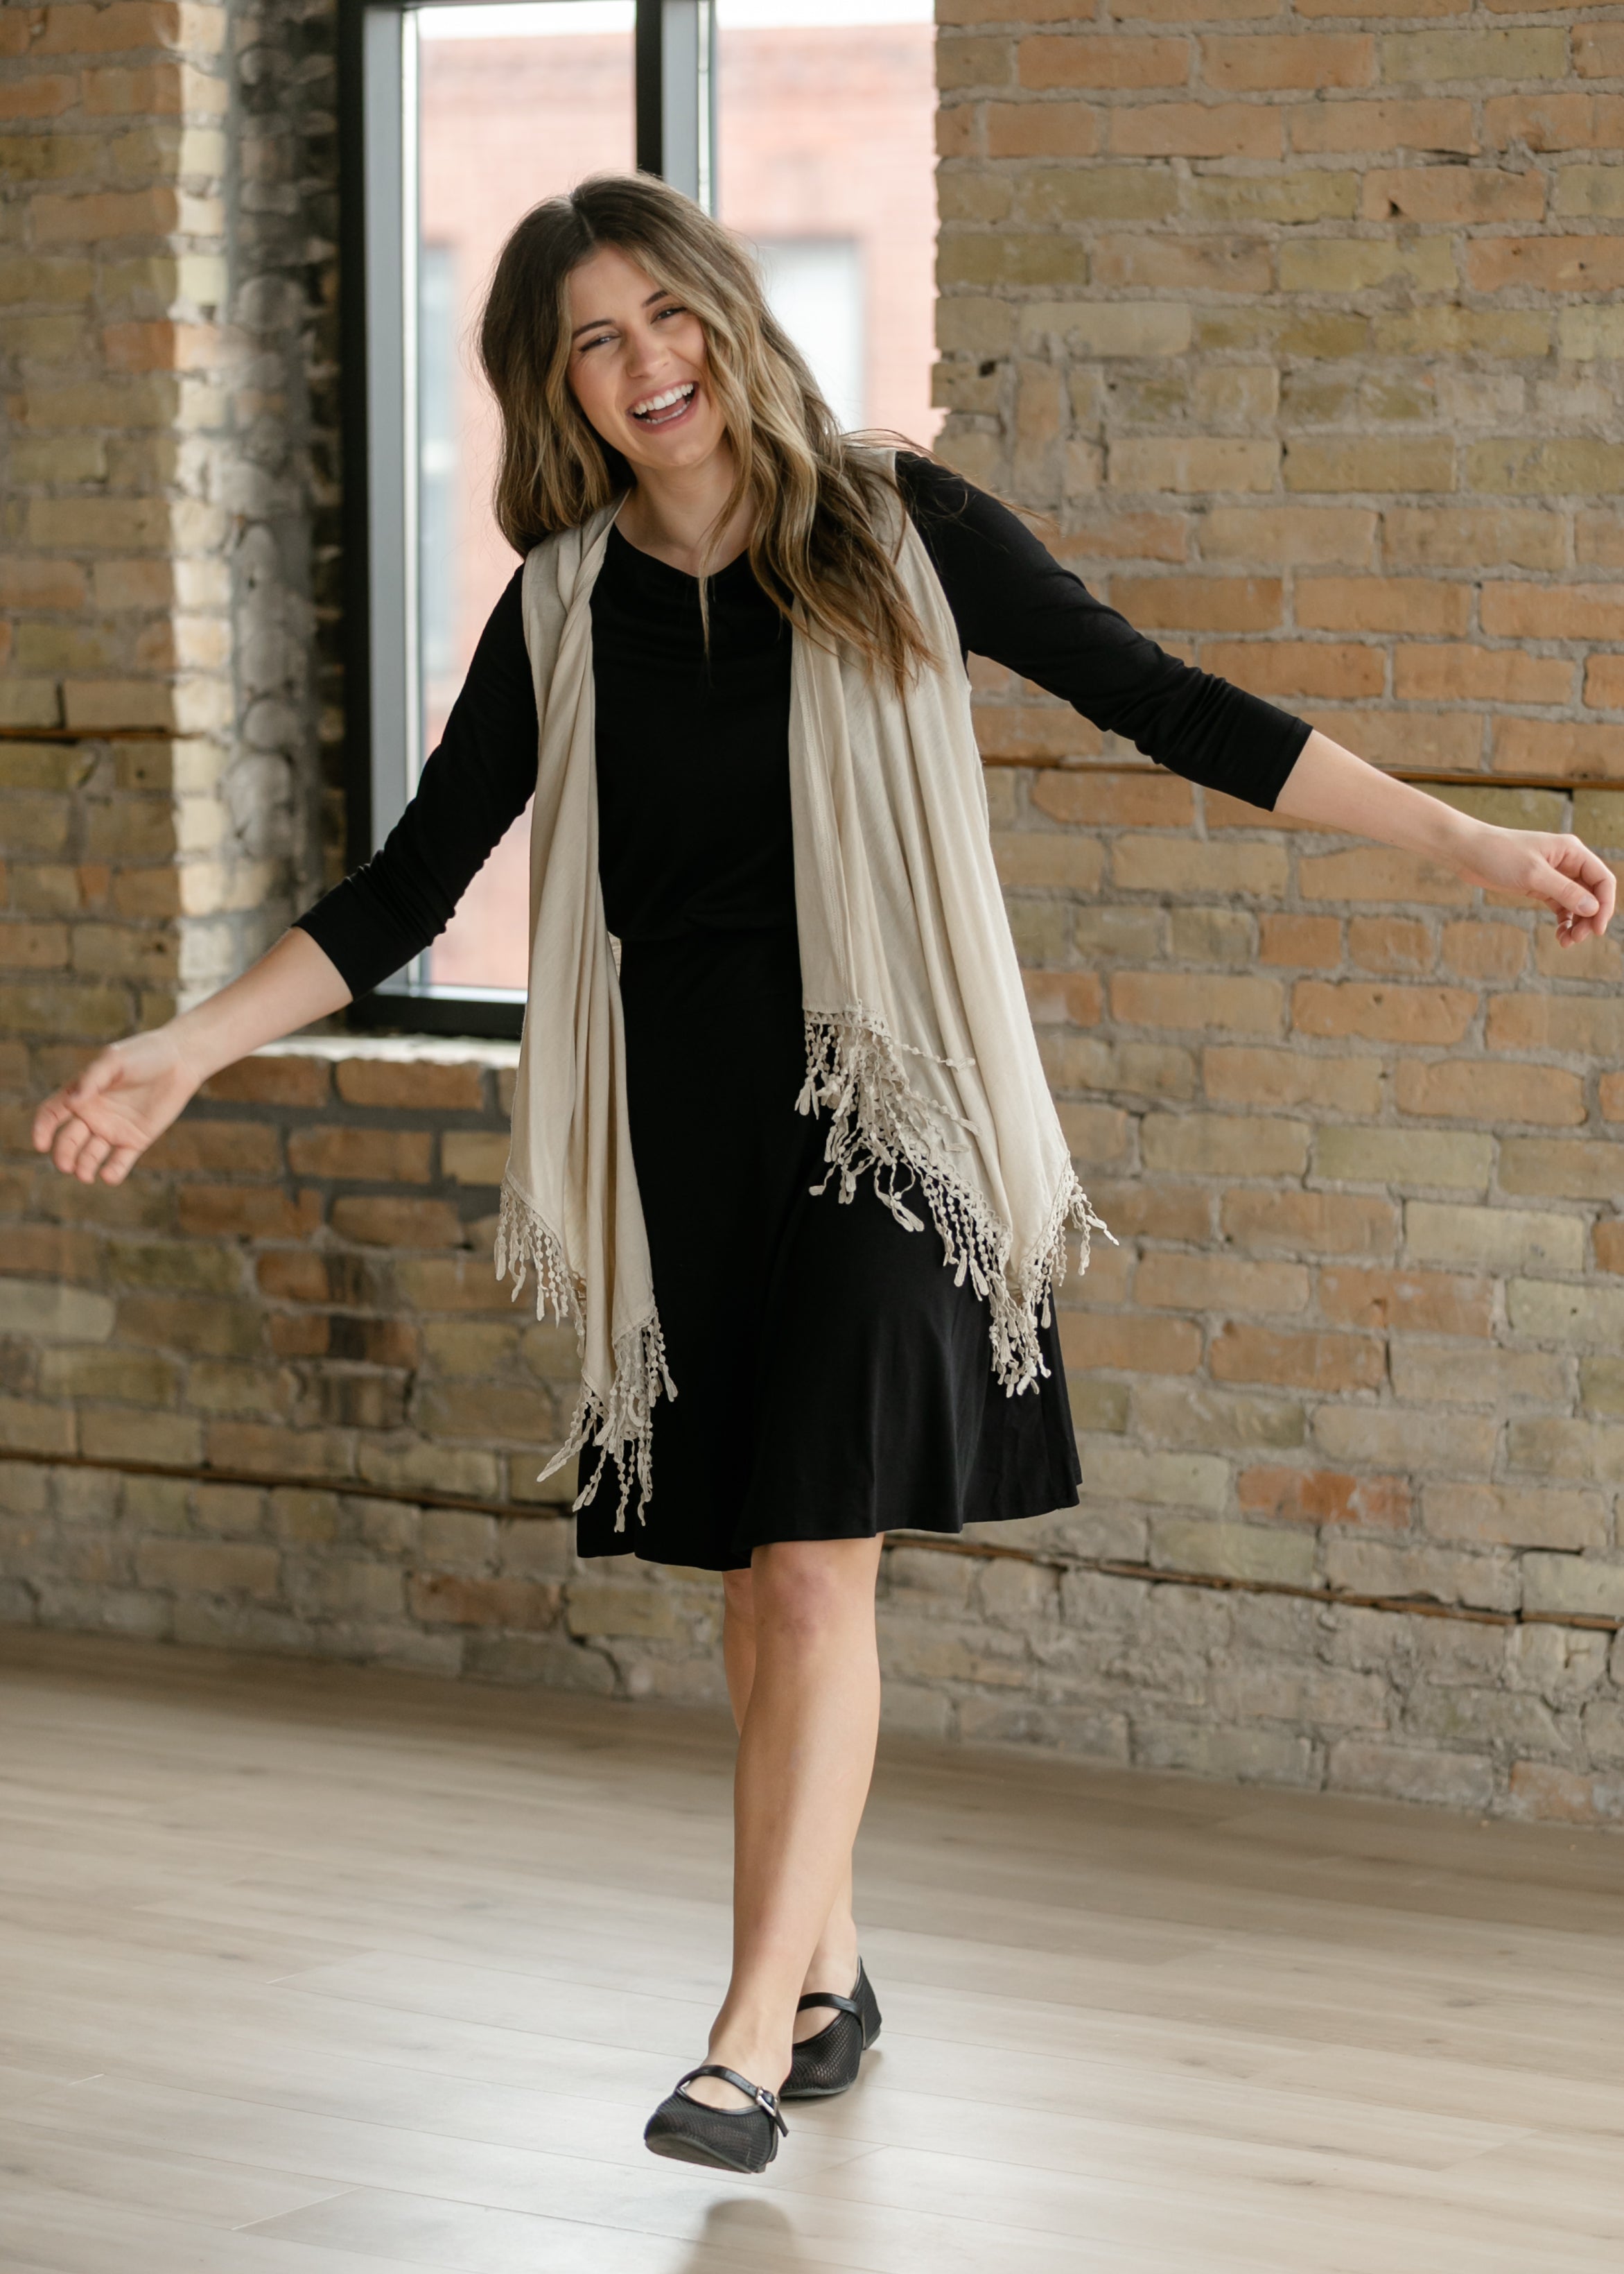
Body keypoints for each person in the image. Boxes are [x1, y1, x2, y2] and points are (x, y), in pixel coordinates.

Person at [33, 173, 1616, 2176]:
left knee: (807, 1567)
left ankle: (739, 2045)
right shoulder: (562, 608)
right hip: (688, 1137)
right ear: (555, 388)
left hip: (893, 1118)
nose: (646, 364)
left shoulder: (898, 528)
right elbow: (409, 886)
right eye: (593, 343)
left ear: (727, 311)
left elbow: (1170, 704)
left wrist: (1469, 842)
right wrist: (188, 1046)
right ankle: (828, 1973)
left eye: (665, 315)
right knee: (763, 1576)